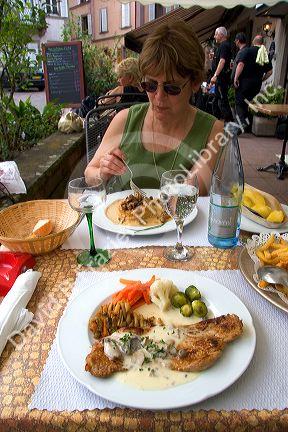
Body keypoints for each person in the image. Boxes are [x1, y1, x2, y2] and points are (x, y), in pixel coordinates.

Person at [85, 21, 223, 196]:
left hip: (180, 223)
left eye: (172, 88)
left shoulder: (212, 131)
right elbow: (89, 174)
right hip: (121, 221)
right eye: (150, 85)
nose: (158, 97)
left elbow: (192, 194)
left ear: (195, 82)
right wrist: (102, 172)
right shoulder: (124, 120)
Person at [234, 34, 273, 129]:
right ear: (262, 43)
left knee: (239, 103)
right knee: (248, 103)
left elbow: (240, 65)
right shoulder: (264, 55)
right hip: (256, 84)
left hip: (244, 83)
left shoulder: (247, 51)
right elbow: (270, 72)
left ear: (253, 42)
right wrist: (262, 79)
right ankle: (246, 125)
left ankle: (242, 123)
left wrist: (235, 78)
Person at [210, 27, 233, 122]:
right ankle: (216, 122)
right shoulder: (222, 46)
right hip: (220, 79)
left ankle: (229, 122)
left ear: (222, 35)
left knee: (222, 102)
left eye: (216, 34)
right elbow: (220, 60)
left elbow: (222, 61)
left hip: (222, 78)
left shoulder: (224, 46)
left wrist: (215, 75)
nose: (215, 36)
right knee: (216, 101)